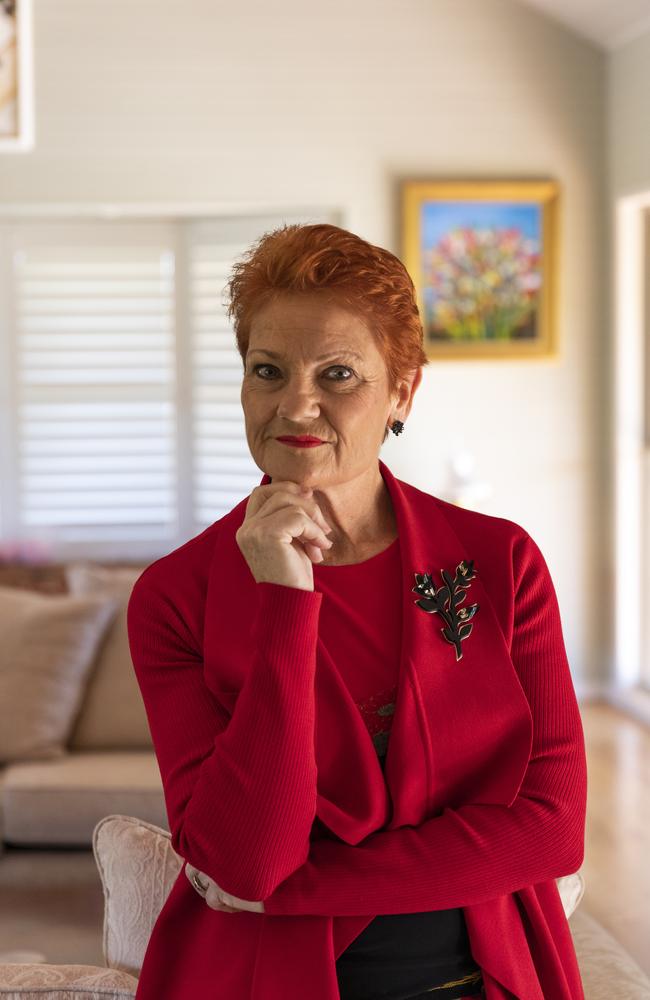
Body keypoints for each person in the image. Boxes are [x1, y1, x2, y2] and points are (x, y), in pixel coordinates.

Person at [127, 223, 587, 1000]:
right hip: (260, 980)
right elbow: (246, 859)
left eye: (337, 373)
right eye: (267, 370)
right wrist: (282, 600)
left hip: (485, 975)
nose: (294, 403)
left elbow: (550, 829)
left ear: (402, 391)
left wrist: (297, 892)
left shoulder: (501, 561)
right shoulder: (176, 595)